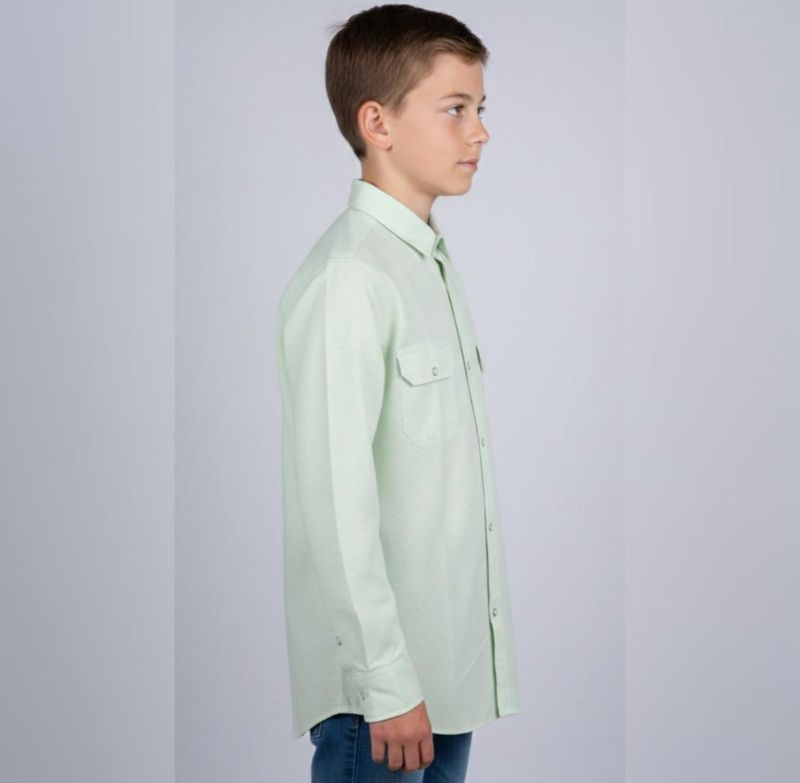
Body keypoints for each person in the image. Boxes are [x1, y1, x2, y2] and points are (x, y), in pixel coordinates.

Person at [275, 4, 521, 781]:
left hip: (441, 680)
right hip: (382, 699)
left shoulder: (424, 266)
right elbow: (335, 504)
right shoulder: (350, 277)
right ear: (377, 122)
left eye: (480, 108)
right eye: (455, 109)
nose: (480, 131)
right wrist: (385, 683)